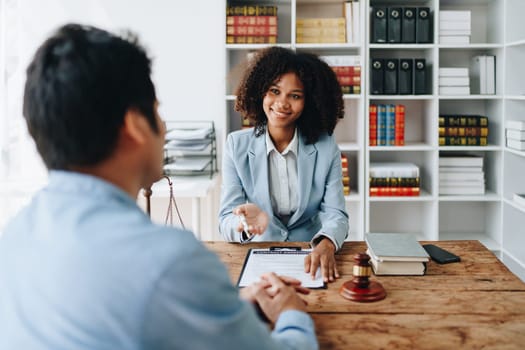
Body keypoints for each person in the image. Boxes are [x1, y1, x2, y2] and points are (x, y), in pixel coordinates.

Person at [0, 24, 318, 350]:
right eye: (157, 111)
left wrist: (222, 303)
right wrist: (291, 314)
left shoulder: (13, 238)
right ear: (135, 125)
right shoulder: (171, 263)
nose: (164, 128)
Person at [219, 46, 349, 283]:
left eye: (295, 95)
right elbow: (225, 220)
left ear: (309, 102)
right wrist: (245, 224)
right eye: (274, 91)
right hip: (258, 257)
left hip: (309, 256)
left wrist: (327, 242)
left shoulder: (325, 146)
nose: (282, 103)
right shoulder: (235, 146)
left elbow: (335, 213)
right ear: (260, 92)